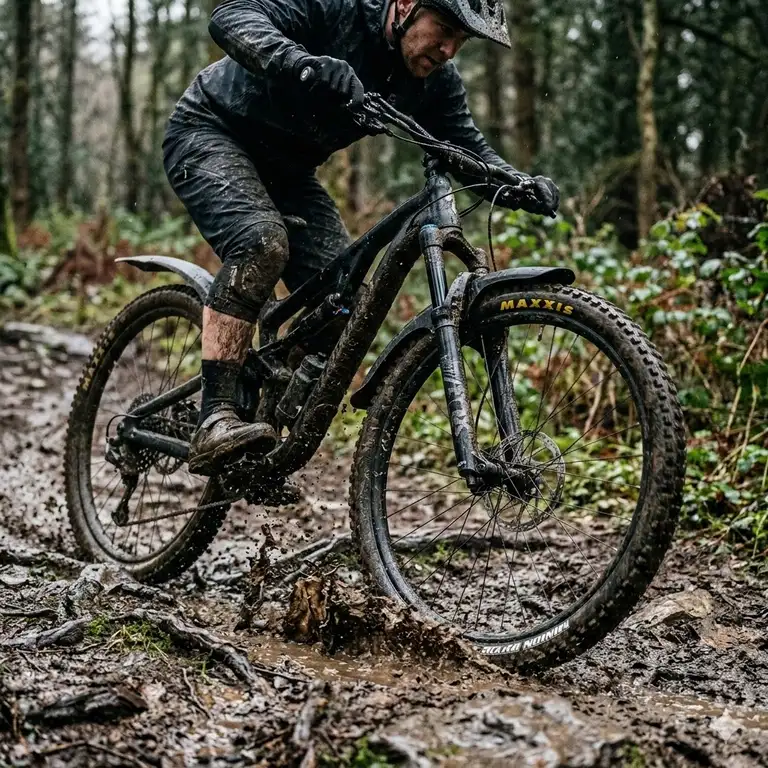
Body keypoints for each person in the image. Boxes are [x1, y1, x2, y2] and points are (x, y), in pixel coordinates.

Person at [163, 0, 560, 476]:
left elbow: (464, 146)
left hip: (289, 172)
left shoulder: (434, 81)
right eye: (445, 29)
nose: (449, 49)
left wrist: (514, 182)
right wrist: (304, 65)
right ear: (409, 5)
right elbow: (231, 17)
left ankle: (262, 425)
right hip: (212, 131)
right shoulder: (337, 8)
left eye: (462, 41)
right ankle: (215, 418)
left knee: (342, 302)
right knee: (262, 244)